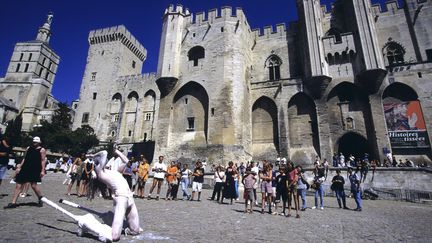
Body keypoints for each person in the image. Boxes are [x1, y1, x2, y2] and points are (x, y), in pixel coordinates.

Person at [89, 150, 141, 241]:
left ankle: (125, 229)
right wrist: (94, 155)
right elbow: (105, 152)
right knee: (115, 237)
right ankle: (111, 231)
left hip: (130, 197)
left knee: (135, 230)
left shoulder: (113, 171)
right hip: (121, 198)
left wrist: (117, 151)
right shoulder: (99, 172)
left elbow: (127, 162)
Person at [5, 136, 46, 209]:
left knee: (33, 185)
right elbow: (24, 158)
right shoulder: (28, 148)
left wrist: (42, 170)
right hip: (25, 168)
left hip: (35, 169)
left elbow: (43, 160)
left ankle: (40, 198)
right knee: (18, 185)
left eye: (36, 142)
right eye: (33, 141)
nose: (34, 143)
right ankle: (13, 202)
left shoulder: (42, 150)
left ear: (39, 142)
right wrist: (20, 166)